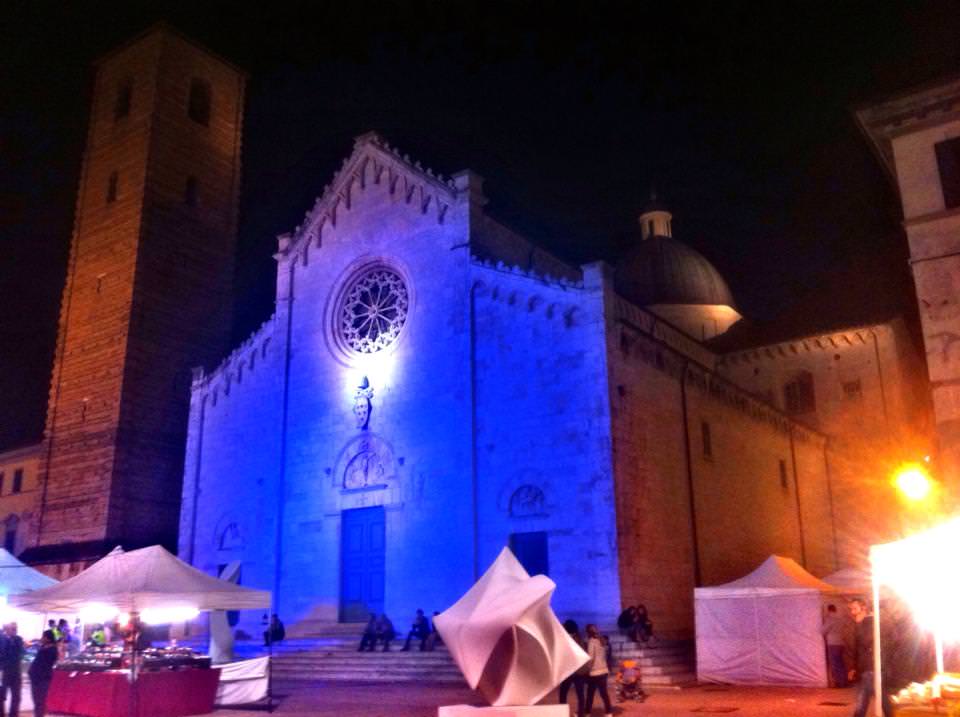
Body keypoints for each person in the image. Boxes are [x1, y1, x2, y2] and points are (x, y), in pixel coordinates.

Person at [849, 598, 891, 717]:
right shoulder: (863, 623)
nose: (852, 612)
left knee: (863, 697)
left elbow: (867, 642)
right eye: (851, 609)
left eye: (855, 609)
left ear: (864, 608)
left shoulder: (869, 623)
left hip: (870, 665)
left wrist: (859, 625)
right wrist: (853, 667)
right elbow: (857, 647)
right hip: (867, 665)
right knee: (879, 695)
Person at [582, 624, 613, 717]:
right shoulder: (602, 641)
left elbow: (591, 658)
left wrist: (587, 669)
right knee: (604, 693)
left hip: (594, 672)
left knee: (590, 694)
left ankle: (587, 713)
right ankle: (608, 712)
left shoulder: (592, 642)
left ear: (587, 632)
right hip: (604, 671)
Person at [557, 620, 587, 715]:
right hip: (576, 670)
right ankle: (580, 713)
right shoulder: (579, 638)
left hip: (570, 670)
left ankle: (564, 713)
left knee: (564, 693)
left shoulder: (566, 638)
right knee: (579, 694)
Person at [28, 630, 57, 717]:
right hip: (35, 677)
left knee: (40, 700)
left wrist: (42, 648)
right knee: (36, 700)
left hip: (43, 678)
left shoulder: (52, 650)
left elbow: (46, 663)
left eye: (43, 637)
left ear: (48, 638)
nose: (42, 638)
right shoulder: (43, 647)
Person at [0, 622, 24, 717]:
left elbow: (19, 652)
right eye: (13, 628)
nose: (15, 630)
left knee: (16, 697)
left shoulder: (19, 639)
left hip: (16, 672)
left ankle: (13, 715)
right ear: (7, 629)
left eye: (15, 628)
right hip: (4, 672)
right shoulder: (2, 639)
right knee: (1, 696)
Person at [821, 604, 848, 688]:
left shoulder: (830, 619)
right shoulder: (840, 619)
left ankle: (838, 683)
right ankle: (844, 681)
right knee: (841, 663)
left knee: (834, 664)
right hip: (841, 643)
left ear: (829, 610)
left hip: (833, 643)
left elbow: (822, 631)